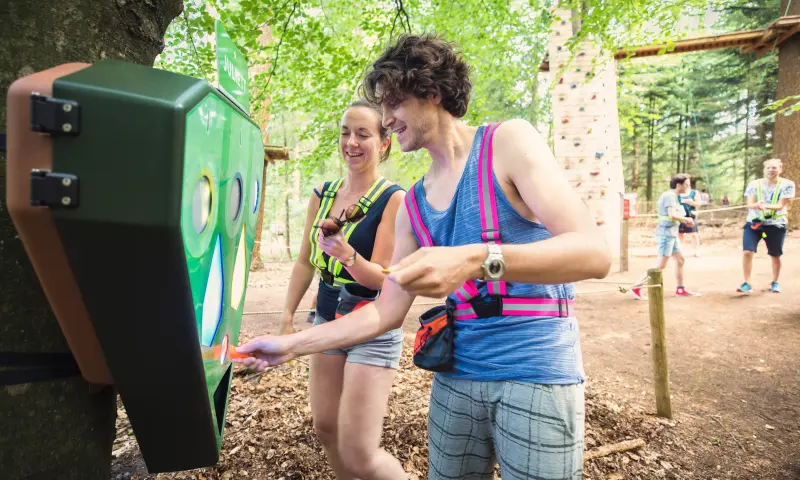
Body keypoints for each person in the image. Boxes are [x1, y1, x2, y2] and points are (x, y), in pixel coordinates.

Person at [236, 34, 611, 480]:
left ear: (432, 92)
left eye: (394, 104)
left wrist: (477, 259)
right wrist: (290, 345)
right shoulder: (413, 203)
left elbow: (593, 253)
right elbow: (383, 313)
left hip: (537, 373)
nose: (387, 119)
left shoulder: (507, 143)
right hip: (456, 377)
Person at [275, 100, 407, 478]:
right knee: (326, 429)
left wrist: (349, 255)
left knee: (359, 448)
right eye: (345, 132)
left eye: (363, 134)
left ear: (384, 144)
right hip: (327, 317)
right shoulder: (323, 194)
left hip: (371, 324)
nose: (351, 142)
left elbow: (383, 278)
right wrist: (287, 316)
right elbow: (304, 262)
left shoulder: (392, 199)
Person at [630, 174, 699, 300]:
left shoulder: (676, 197)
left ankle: (680, 288)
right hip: (666, 235)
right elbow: (672, 215)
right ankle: (637, 286)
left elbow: (675, 215)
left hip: (672, 234)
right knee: (661, 265)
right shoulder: (669, 196)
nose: (689, 187)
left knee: (680, 260)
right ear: (679, 185)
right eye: (687, 184)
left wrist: (684, 220)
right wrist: (686, 219)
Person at [737, 158, 795, 294]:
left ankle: (775, 282)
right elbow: (750, 204)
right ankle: (747, 283)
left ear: (780, 170)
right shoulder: (754, 184)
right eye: (768, 167)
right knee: (747, 251)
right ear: (764, 169)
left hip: (776, 224)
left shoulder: (787, 184)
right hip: (754, 223)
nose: (771, 170)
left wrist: (765, 205)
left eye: (774, 167)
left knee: (775, 255)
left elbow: (781, 205)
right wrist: (756, 205)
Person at [678, 179, 701, 257]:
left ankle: (696, 251)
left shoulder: (694, 192)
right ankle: (679, 251)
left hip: (691, 216)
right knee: (680, 234)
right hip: (680, 217)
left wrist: (692, 203)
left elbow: (699, 203)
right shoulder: (677, 193)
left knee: (694, 234)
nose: (688, 185)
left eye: (688, 183)